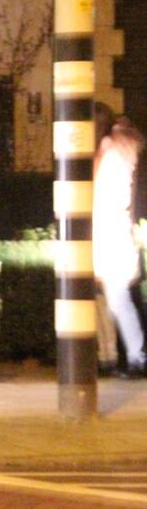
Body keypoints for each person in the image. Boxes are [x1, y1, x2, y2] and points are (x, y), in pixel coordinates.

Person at [93, 113, 146, 377]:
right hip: (120, 234)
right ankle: (131, 356)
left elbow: (101, 196)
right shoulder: (128, 152)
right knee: (120, 300)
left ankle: (135, 357)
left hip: (111, 236)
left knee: (118, 300)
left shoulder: (111, 153)